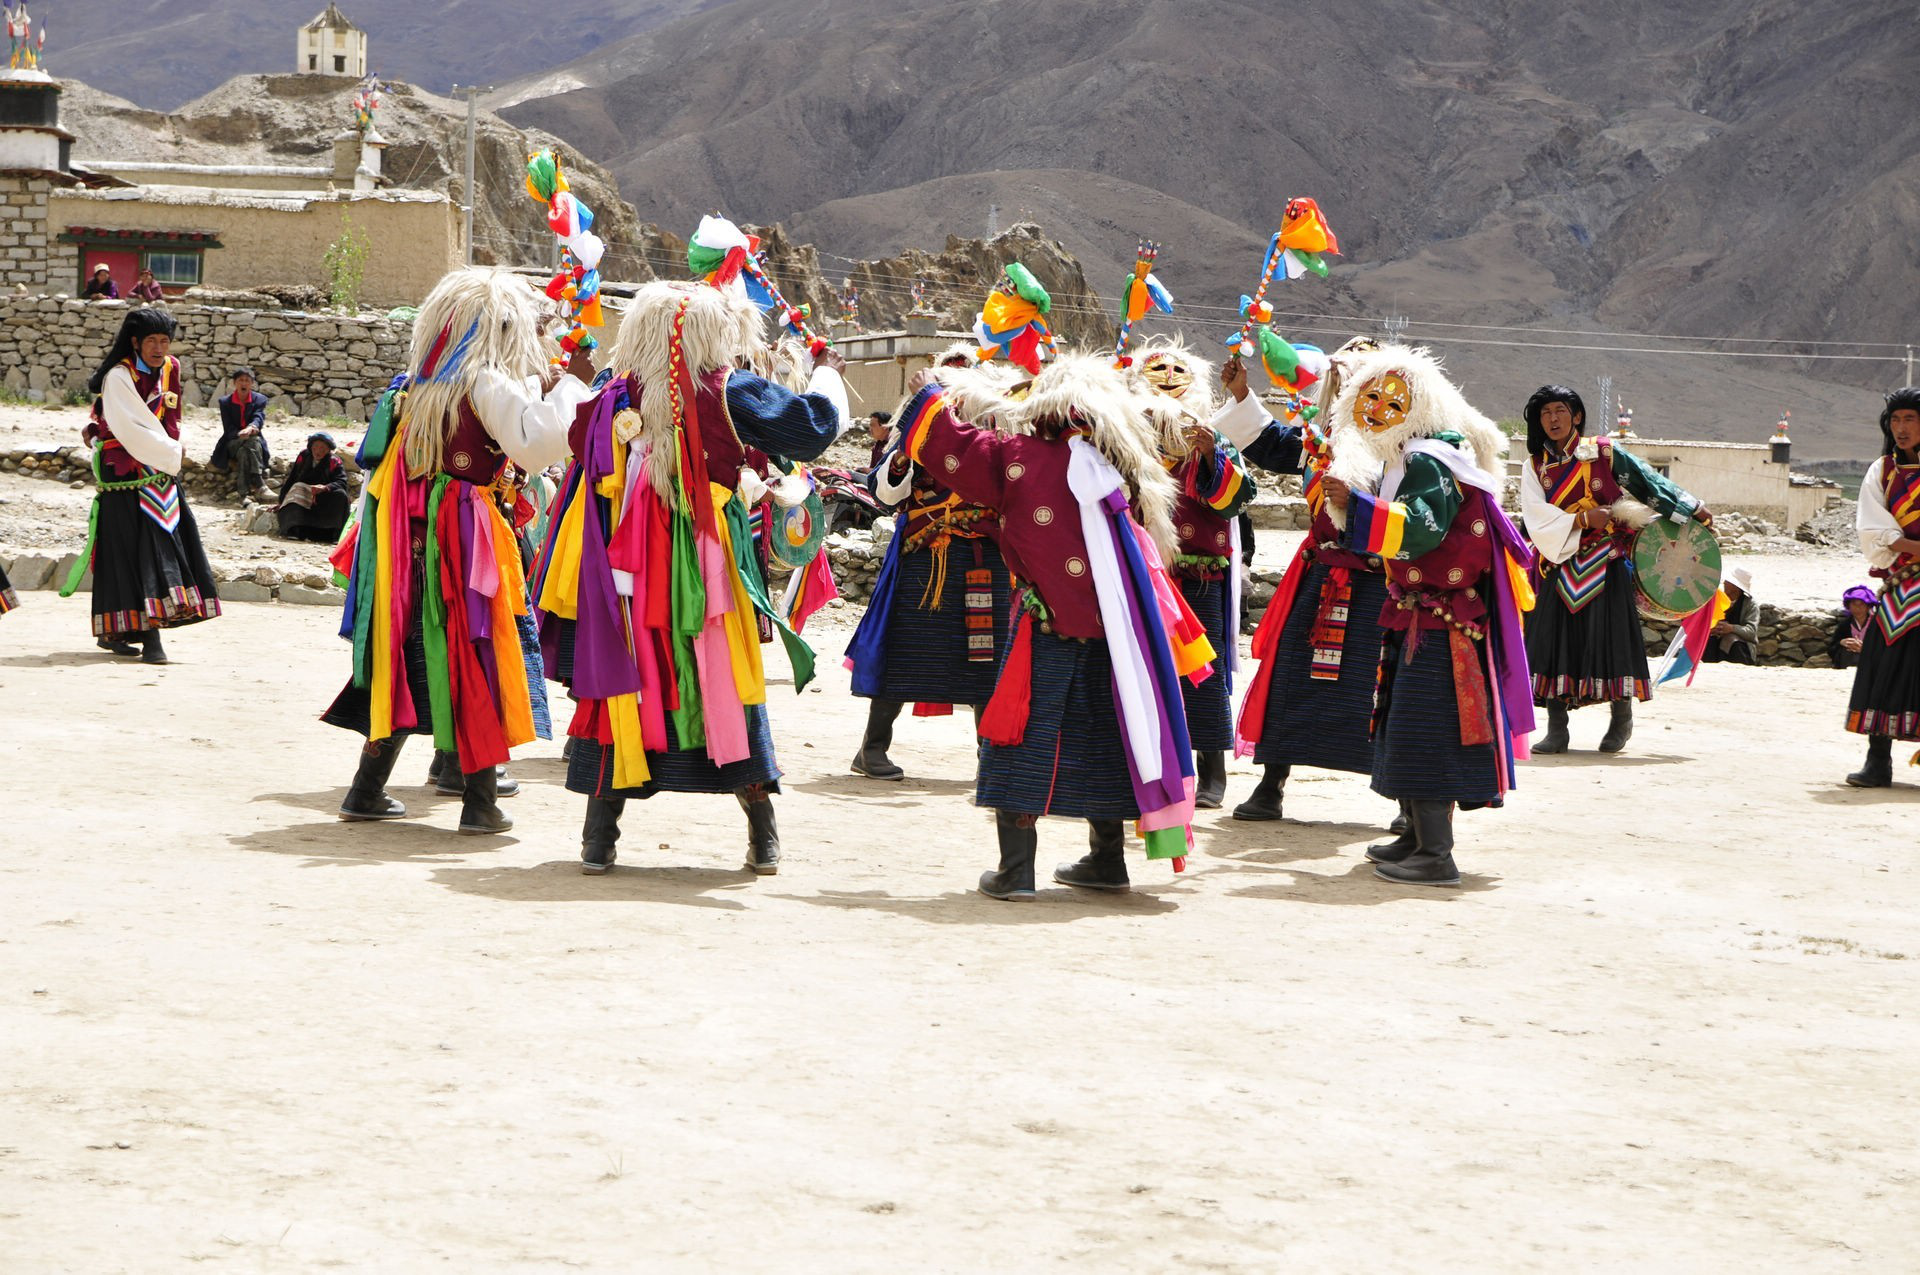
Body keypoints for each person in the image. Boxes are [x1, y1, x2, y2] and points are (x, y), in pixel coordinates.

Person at [536, 280, 852, 876]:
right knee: (723, 675)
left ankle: (599, 841)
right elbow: (811, 430)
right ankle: (763, 837)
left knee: (629, 678)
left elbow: (579, 448)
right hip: (710, 563)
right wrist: (827, 376)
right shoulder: (728, 389)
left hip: (629, 568)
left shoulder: (614, 394)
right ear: (713, 333)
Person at [895, 352, 1213, 900]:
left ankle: (1016, 872)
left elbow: (952, 449)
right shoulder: (1128, 469)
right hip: (1119, 635)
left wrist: (928, 396)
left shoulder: (1017, 458)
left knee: (1022, 738)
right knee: (1110, 739)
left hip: (1044, 631)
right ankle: (1107, 861)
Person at [323, 266, 594, 833]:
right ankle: (478, 803)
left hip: (412, 548)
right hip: (467, 547)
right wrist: (573, 384)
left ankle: (367, 791)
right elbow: (536, 446)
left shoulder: (421, 384)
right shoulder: (484, 380)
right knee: (479, 654)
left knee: (413, 659)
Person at [1318, 344, 1536, 886]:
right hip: (1420, 615)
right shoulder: (1411, 458)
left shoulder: (1428, 461)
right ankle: (1417, 837)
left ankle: (1437, 853)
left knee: (1426, 726)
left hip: (1440, 625)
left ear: (1419, 408)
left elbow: (1420, 529)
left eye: (1395, 401)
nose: (1379, 409)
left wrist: (1355, 505)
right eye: (1371, 397)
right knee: (1403, 722)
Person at [1212, 337, 1408, 848]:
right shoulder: (1321, 436)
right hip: (1323, 574)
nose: (1347, 386)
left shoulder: (1407, 444)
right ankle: (1271, 784)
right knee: (1291, 673)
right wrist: (1242, 395)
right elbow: (1273, 443)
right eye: (1341, 377)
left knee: (1384, 682)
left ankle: (1408, 799)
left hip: (1380, 579)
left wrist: (1364, 507)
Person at [846, 347, 1017, 780]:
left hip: (987, 557)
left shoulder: (999, 433)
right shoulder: (916, 433)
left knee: (989, 655)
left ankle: (990, 756)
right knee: (906, 649)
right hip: (927, 555)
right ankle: (872, 749)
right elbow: (885, 494)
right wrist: (903, 457)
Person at [1520, 384, 1712, 754]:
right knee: (1553, 642)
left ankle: (1621, 720)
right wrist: (1581, 520)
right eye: (1546, 413)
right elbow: (1535, 515)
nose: (1553, 419)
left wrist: (1692, 508)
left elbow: (1646, 481)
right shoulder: (1535, 467)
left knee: (1612, 639)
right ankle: (1557, 728)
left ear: (1577, 416)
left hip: (1606, 559)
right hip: (1559, 561)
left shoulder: (1603, 452)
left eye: (1560, 411)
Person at [1131, 338, 1257, 808]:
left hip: (1198, 576)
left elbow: (1237, 501)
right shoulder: (1124, 436)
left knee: (1202, 674)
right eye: (1156, 370)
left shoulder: (1213, 436)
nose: (1168, 379)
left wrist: (1209, 457)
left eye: (1177, 371)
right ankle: (1142, 768)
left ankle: (1211, 773)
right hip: (1140, 574)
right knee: (1139, 671)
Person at [68, 307, 221, 664]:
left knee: (160, 543)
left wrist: (174, 446)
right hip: (125, 473)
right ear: (135, 342)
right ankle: (149, 637)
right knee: (130, 549)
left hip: (159, 468)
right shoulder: (119, 376)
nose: (158, 348)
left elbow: (173, 417)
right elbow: (129, 426)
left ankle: (124, 630)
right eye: (151, 340)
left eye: (164, 341)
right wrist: (171, 453)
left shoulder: (171, 369)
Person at [1844, 387, 1920, 787]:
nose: (1901, 428)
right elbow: (1874, 528)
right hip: (1900, 586)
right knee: (1884, 667)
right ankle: (1878, 762)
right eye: (1895, 420)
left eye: (1910, 419)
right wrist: (1913, 548)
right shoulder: (1883, 471)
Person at [276, 431, 353, 542]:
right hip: (304, 494)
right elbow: (292, 479)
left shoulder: (334, 461)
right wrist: (281, 501)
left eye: (322, 448)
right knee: (297, 488)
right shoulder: (303, 456)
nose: (318, 451)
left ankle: (332, 534)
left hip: (325, 496)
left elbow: (341, 481)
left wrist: (325, 487)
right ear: (311, 447)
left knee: (340, 494)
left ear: (328, 450)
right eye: (315, 447)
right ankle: (295, 530)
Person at [212, 365, 272, 501]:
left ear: (252, 383)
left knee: (245, 451)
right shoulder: (225, 402)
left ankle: (243, 495)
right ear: (234, 383)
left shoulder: (260, 400)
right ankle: (259, 482)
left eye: (247, 380)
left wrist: (251, 427)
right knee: (252, 440)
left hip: (251, 441)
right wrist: (240, 434)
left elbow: (258, 417)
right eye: (240, 380)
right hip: (232, 441)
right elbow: (228, 428)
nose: (244, 383)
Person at [1703, 565, 1758, 664]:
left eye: (1728, 582)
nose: (1724, 583)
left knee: (1732, 640)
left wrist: (1732, 628)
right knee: (1709, 640)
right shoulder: (1717, 600)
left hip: (1739, 647)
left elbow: (1751, 632)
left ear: (1736, 587)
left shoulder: (1750, 605)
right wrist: (1713, 628)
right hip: (1716, 643)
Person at [1830, 585, 1875, 670]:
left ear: (1868, 606)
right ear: (1848, 606)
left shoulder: (1877, 624)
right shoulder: (1845, 625)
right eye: (1854, 604)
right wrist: (1842, 642)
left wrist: (1865, 649)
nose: (1858, 608)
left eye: (1862, 604)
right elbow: (1831, 649)